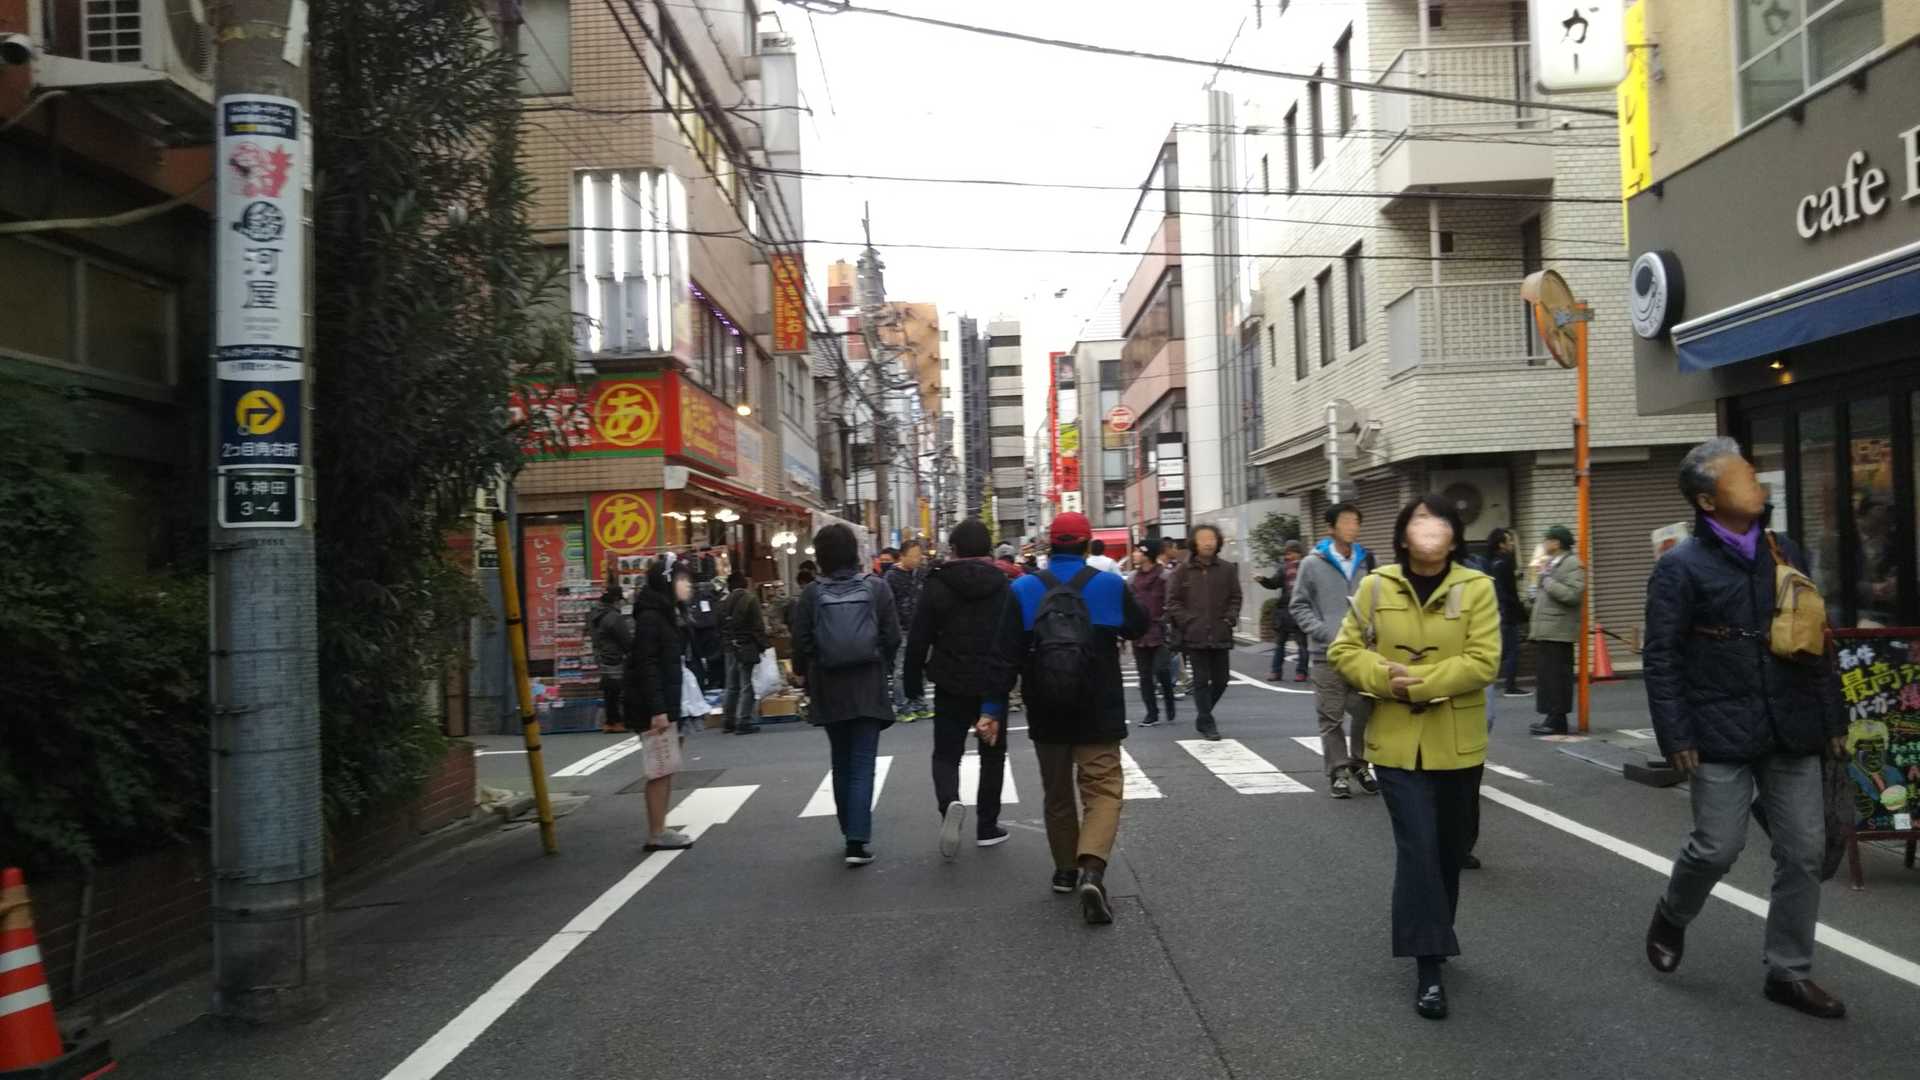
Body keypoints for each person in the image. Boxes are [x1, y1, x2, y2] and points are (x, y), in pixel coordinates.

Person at [1642, 438, 1848, 1019]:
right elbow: (1661, 657)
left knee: (1804, 851)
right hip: (1717, 726)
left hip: (1791, 722)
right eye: (1741, 477)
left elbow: (1815, 639)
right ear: (1708, 500)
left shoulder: (1786, 550)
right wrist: (1677, 736)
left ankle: (1788, 971)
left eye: (1753, 474)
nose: (1756, 482)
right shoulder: (1679, 566)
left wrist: (1833, 719)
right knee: (1717, 846)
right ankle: (1673, 913)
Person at [1328, 494, 1499, 1021]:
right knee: (1419, 847)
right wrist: (1385, 679)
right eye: (1420, 521)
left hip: (1458, 743)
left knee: (1448, 850)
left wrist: (1418, 683)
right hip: (1396, 744)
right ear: (1403, 535)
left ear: (1454, 534)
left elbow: (1484, 661)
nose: (1430, 529)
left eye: (1439, 520)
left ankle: (1436, 935)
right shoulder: (1376, 586)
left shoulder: (1477, 587)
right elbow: (1343, 650)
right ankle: (1428, 967)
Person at [1011, 512, 1149, 926]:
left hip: (1046, 708)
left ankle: (1064, 871)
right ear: (1088, 544)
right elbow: (1139, 626)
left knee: (1056, 793)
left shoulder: (1023, 588)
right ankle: (1092, 870)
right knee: (1103, 790)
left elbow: (1005, 652)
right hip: (1098, 705)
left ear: (1049, 545)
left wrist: (991, 709)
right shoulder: (1109, 584)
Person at [903, 519, 1025, 858]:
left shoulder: (937, 583)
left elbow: (919, 637)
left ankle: (949, 804)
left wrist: (912, 683)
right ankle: (987, 826)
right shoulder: (1003, 584)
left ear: (954, 549)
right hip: (992, 683)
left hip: (950, 681)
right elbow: (1013, 638)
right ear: (988, 549)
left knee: (946, 753)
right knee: (992, 755)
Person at [792, 523, 901, 866]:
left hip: (829, 686)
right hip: (867, 683)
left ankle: (848, 831)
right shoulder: (877, 588)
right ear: (854, 552)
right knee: (863, 763)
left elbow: (801, 643)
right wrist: (880, 660)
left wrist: (808, 671)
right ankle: (857, 839)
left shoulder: (811, 594)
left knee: (840, 761)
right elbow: (893, 636)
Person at [1292, 502, 1379, 798]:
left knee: (1367, 711)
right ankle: (1338, 771)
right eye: (1346, 521)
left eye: (1356, 521)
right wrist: (1325, 633)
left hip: (1363, 653)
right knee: (1331, 716)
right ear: (1331, 528)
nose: (1352, 526)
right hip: (1326, 653)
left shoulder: (1368, 560)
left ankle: (1360, 764)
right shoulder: (1312, 563)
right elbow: (1299, 605)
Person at [623, 562, 697, 851]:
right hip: (656, 705)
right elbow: (647, 664)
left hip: (667, 701)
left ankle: (660, 828)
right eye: (682, 579)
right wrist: (658, 710)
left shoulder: (665, 612)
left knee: (666, 765)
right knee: (660, 767)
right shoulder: (652, 617)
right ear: (667, 582)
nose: (688, 585)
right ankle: (656, 832)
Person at [1166, 523, 1241, 742]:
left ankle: (1202, 715)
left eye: (1212, 539)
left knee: (1221, 680)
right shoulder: (1182, 570)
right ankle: (1207, 722)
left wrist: (1230, 618)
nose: (1208, 543)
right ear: (1194, 543)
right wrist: (1187, 621)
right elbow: (1173, 601)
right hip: (1194, 634)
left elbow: (1236, 597)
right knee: (1200, 680)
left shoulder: (1227, 569)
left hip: (1220, 632)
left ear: (1218, 542)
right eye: (1203, 539)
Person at [1527, 525, 1586, 736]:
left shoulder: (1572, 563)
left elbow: (1573, 595)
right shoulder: (1551, 563)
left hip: (1559, 630)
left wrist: (1547, 580)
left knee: (1557, 677)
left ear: (1557, 542)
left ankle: (1557, 720)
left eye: (1547, 539)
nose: (1544, 543)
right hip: (1547, 629)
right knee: (1547, 677)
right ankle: (1551, 718)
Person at [1128, 545, 1178, 727]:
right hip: (1139, 632)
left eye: (1139, 551)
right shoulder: (1132, 578)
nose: (1135, 554)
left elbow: (1173, 601)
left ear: (1148, 555)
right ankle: (1151, 713)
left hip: (1160, 630)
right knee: (1144, 675)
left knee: (1161, 669)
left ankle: (1169, 700)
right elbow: (1128, 604)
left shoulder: (1165, 576)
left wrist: (1168, 622)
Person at [885, 539, 932, 723]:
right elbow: (887, 606)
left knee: (921, 667)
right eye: (912, 556)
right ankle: (902, 706)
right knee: (900, 670)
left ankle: (918, 703)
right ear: (902, 556)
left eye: (918, 556)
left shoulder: (923, 573)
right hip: (901, 629)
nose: (916, 560)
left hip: (921, 628)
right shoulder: (891, 577)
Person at [719, 572, 769, 735]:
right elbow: (758, 625)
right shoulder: (750, 599)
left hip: (729, 647)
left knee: (731, 685)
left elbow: (718, 625)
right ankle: (743, 721)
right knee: (746, 685)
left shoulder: (723, 602)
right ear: (745, 584)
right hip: (746, 646)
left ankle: (728, 720)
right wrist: (763, 645)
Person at [1257, 539, 1310, 682]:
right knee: (1280, 643)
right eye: (1287, 553)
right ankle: (1276, 672)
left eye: (1291, 553)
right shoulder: (1284, 568)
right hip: (1284, 611)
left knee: (1302, 644)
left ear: (1299, 553)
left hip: (1301, 610)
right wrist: (1263, 580)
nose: (1288, 556)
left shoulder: (1307, 567)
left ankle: (1301, 672)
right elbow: (1274, 583)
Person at [1485, 529, 1526, 698]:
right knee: (1511, 651)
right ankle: (1510, 686)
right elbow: (1509, 592)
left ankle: (1494, 682)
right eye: (1509, 541)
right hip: (1507, 612)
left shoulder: (1491, 563)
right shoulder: (1505, 562)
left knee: (1503, 650)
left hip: (1497, 611)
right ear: (1501, 544)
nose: (1512, 544)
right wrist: (1520, 610)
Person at [589, 585, 634, 734]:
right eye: (620, 600)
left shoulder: (595, 613)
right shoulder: (614, 617)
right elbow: (626, 640)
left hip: (602, 656)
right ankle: (617, 722)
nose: (621, 603)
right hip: (615, 657)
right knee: (618, 691)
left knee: (609, 691)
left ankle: (609, 722)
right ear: (615, 600)